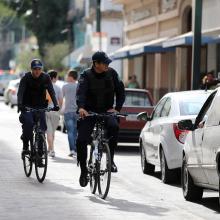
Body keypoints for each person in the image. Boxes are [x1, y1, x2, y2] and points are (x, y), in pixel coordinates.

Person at [76, 51, 125, 187]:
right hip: (89, 112)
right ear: (96, 64)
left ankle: (111, 160)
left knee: (114, 127)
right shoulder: (85, 75)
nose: (107, 65)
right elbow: (80, 93)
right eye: (104, 63)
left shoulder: (112, 74)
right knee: (81, 140)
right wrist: (81, 108)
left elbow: (121, 91)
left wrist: (117, 108)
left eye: (108, 63)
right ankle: (83, 170)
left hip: (107, 111)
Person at [17, 59, 60, 158]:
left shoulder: (46, 77)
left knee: (42, 129)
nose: (37, 71)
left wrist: (56, 104)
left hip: (40, 106)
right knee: (28, 124)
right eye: (35, 69)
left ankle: (40, 155)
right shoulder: (26, 78)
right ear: (31, 69)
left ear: (41, 69)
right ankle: (25, 146)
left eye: (39, 69)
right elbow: (20, 92)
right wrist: (20, 104)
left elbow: (52, 92)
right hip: (27, 106)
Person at [46, 70, 63, 158]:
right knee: (52, 132)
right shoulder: (58, 88)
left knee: (49, 132)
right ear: (54, 78)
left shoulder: (44, 87)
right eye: (56, 77)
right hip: (55, 112)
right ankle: (51, 149)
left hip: (46, 111)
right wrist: (58, 111)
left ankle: (50, 149)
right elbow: (60, 101)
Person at [62, 70, 78, 157]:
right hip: (77, 112)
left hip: (68, 112)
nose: (67, 77)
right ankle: (76, 149)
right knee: (76, 132)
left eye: (68, 76)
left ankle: (72, 150)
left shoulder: (65, 86)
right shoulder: (79, 86)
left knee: (70, 132)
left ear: (71, 77)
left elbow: (61, 98)